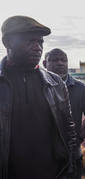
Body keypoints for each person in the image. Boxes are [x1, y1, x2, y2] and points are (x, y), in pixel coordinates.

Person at [0, 16, 79, 179]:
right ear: (7, 42)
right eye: (30, 41)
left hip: (51, 173)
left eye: (40, 42)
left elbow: (68, 129)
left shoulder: (56, 83)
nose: (38, 48)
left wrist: (71, 169)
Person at [43, 48, 85, 177]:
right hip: (43, 155)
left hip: (71, 155)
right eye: (55, 60)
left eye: (64, 60)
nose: (60, 63)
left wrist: (79, 138)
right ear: (45, 64)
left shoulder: (81, 89)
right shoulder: (36, 87)